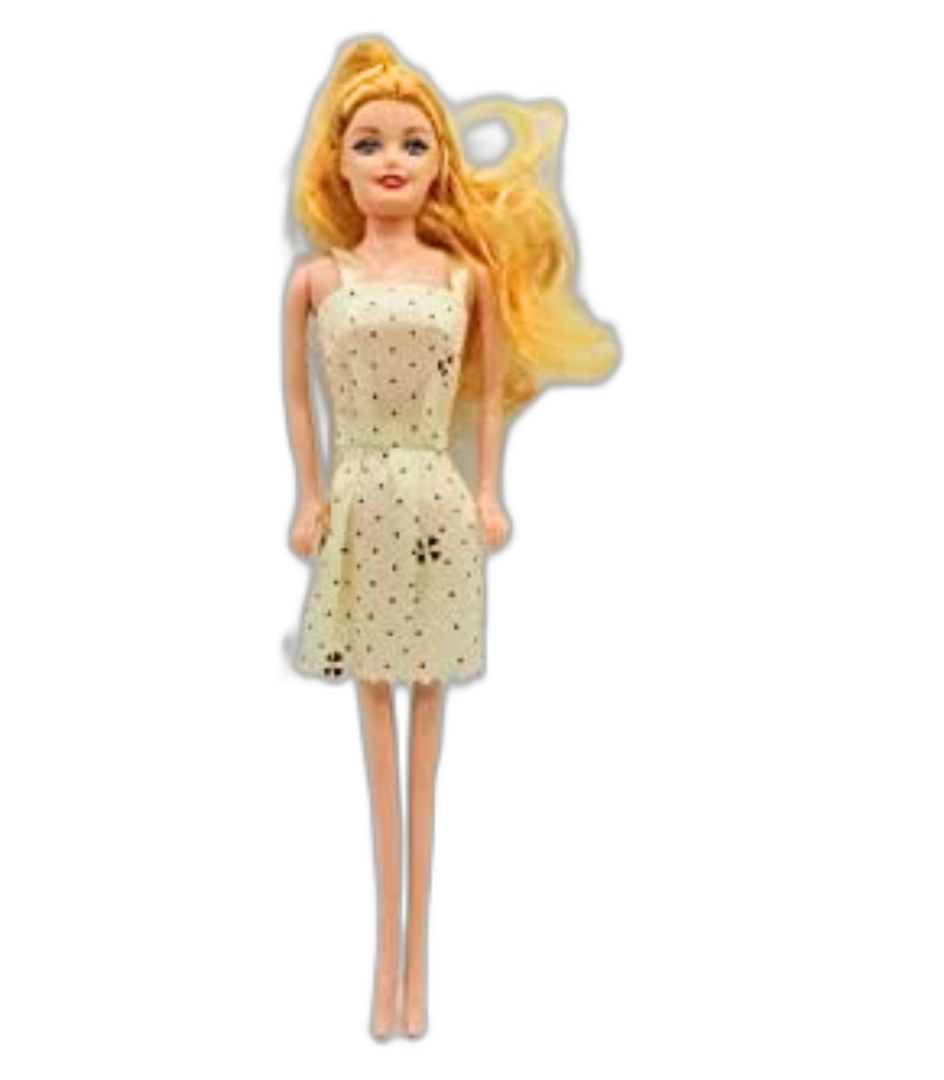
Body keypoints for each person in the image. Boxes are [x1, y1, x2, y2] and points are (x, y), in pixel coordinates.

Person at [282, 35, 619, 1040]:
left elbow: (491, 399)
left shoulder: (465, 277)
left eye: (413, 143)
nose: (391, 160)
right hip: (359, 501)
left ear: (438, 163)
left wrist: (489, 489)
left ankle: (415, 971)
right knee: (374, 732)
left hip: (435, 505)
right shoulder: (317, 281)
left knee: (426, 738)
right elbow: (297, 403)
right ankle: (382, 969)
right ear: (338, 164)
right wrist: (309, 496)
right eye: (370, 143)